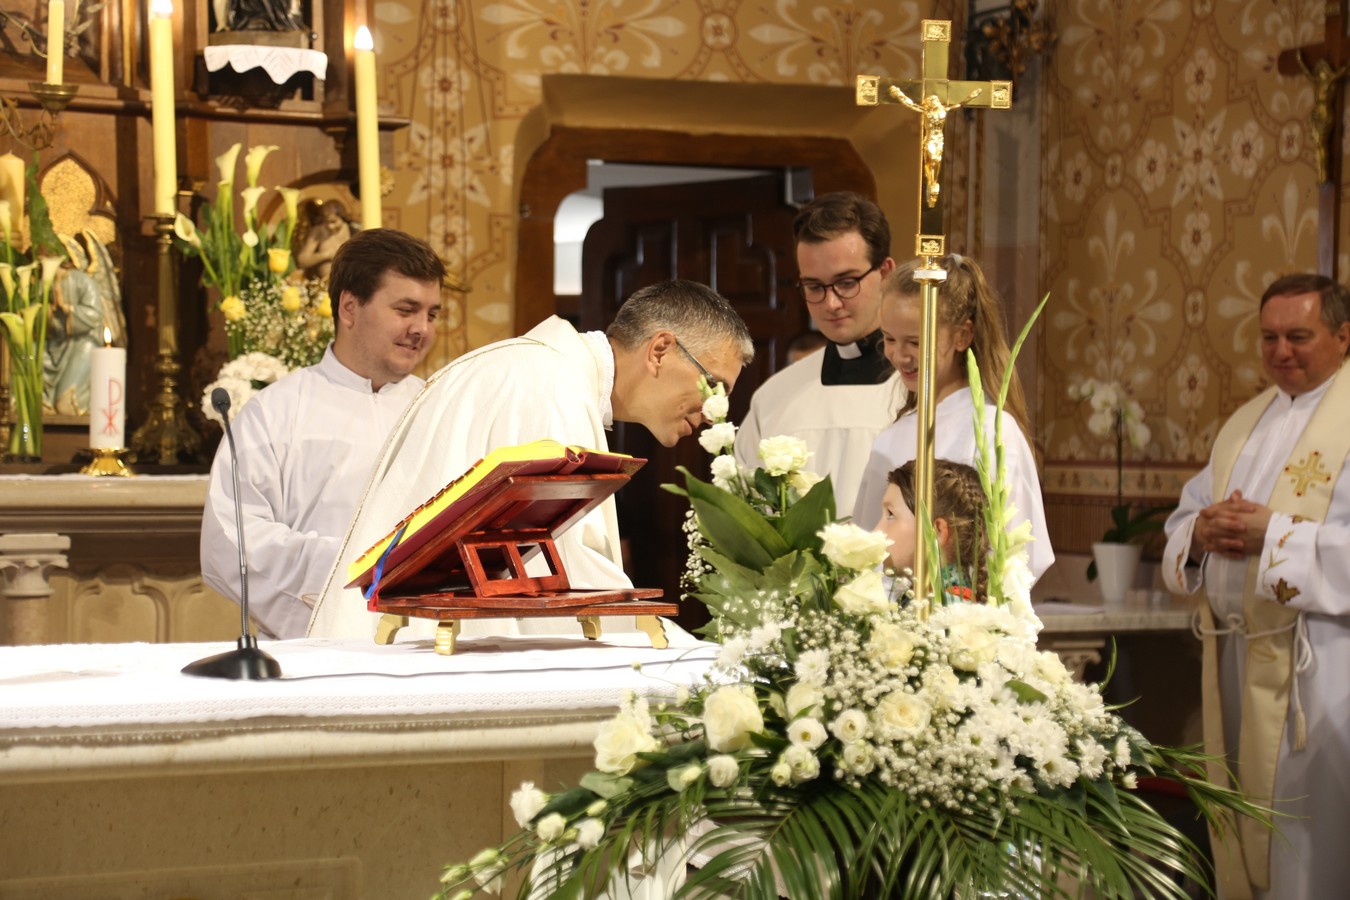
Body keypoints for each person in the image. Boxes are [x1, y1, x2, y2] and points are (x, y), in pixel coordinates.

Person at [307, 279, 754, 640]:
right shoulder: (551, 388)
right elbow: (559, 577)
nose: (713, 412)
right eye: (713, 386)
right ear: (659, 350)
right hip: (413, 656)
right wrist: (685, 661)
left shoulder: (544, 374)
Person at [1161, 273, 1350, 900]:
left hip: (1318, 668)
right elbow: (1186, 516)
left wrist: (1273, 533)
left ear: (1343, 336)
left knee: (1305, 835)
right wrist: (1202, 532)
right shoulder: (1247, 423)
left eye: (1298, 336)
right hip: (1235, 658)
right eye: (1268, 337)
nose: (1280, 352)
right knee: (1241, 815)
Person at [200, 228, 445, 639]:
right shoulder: (275, 412)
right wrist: (356, 572)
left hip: (430, 649)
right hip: (312, 654)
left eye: (432, 314)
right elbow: (230, 542)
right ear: (349, 308)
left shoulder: (441, 408)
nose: (422, 328)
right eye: (406, 310)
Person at [852, 254, 1053, 582]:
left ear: (962, 335)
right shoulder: (893, 438)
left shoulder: (993, 432)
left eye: (915, 342)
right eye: (889, 339)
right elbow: (869, 544)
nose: (899, 355)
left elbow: (1020, 556)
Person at [734, 192, 903, 520]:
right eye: (814, 286)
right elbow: (744, 515)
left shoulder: (925, 390)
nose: (831, 303)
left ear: (885, 272)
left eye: (846, 282)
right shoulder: (776, 397)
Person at [878, 459, 990, 601]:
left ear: (936, 532)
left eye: (891, 514)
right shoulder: (924, 599)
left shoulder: (943, 611)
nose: (877, 530)